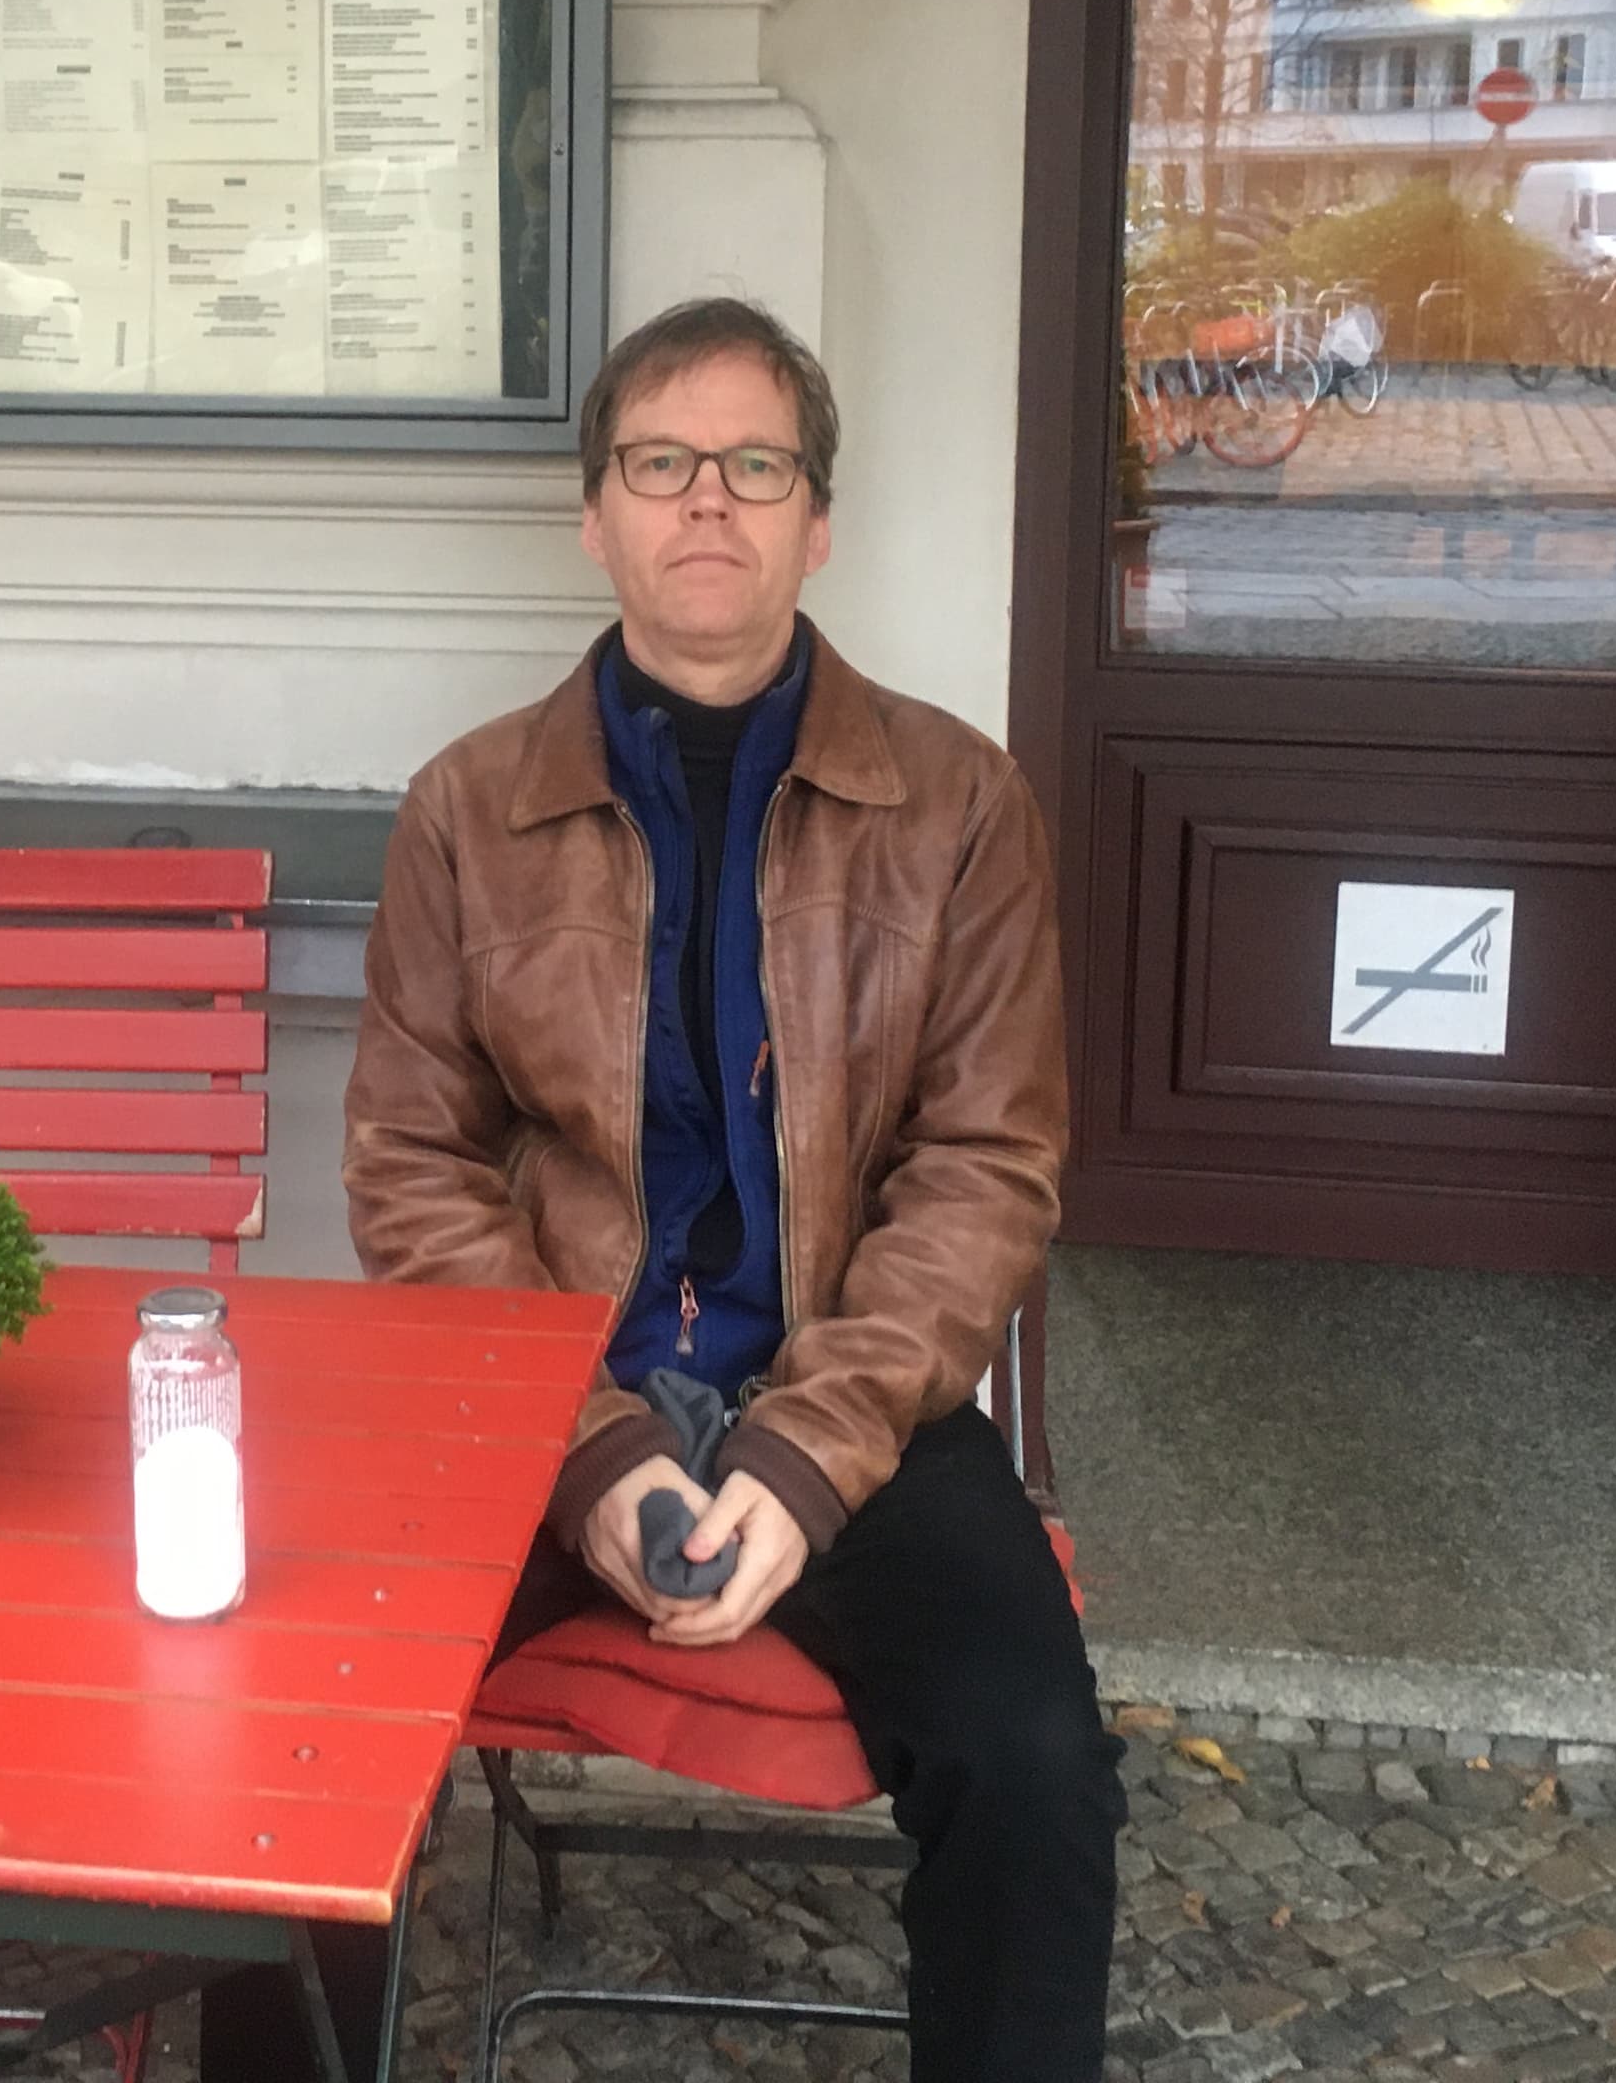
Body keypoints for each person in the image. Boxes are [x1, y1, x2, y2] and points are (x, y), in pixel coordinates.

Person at [345, 295, 1124, 2082]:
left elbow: (990, 1165)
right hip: (536, 1399)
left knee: (1032, 1763)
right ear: (597, 512)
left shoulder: (961, 805)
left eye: (756, 465)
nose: (710, 501)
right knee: (293, 1720)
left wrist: (802, 1452)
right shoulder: (466, 811)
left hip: (852, 1397)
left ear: (817, 519)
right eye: (662, 464)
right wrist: (590, 1444)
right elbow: (412, 1165)